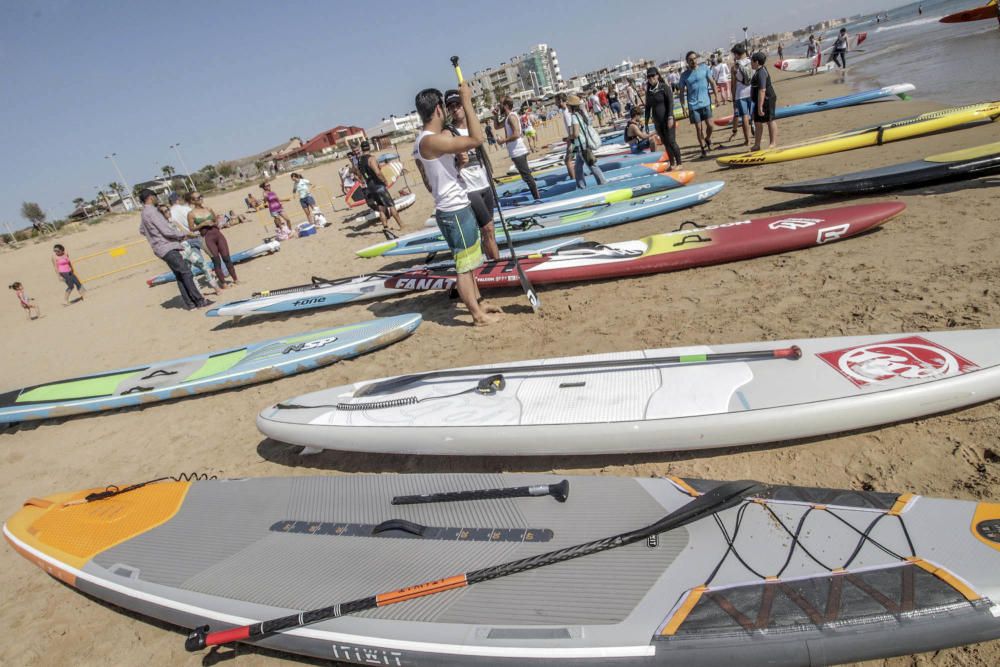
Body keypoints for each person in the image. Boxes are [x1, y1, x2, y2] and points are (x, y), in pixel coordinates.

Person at [413, 84, 499, 326]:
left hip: (458, 204)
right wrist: (467, 102)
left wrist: (458, 163)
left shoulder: (433, 141)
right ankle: (476, 316)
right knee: (463, 266)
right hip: (453, 210)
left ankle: (480, 303)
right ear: (439, 109)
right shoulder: (429, 141)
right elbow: (477, 139)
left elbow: (444, 174)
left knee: (471, 263)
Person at [443, 90, 500, 261]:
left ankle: (490, 262)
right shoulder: (448, 132)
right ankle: (497, 264)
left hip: (484, 183)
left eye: (458, 104)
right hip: (470, 188)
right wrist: (459, 162)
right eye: (451, 106)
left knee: (489, 230)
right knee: (488, 228)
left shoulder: (473, 125)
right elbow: (445, 165)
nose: (455, 109)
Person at [138, 189, 209, 310]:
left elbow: (142, 230)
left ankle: (190, 304)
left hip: (160, 248)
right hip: (168, 247)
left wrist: (154, 237)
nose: (157, 199)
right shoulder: (153, 212)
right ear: (150, 197)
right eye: (155, 196)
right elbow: (166, 231)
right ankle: (199, 300)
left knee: (180, 276)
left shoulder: (144, 213)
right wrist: (183, 235)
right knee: (186, 273)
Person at [160, 203, 218, 293]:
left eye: (168, 209)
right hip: (179, 252)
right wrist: (186, 236)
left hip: (187, 248)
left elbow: (185, 232)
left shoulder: (173, 222)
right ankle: (200, 294)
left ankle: (216, 288)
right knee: (191, 273)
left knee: (204, 265)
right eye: (165, 211)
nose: (168, 212)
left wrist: (193, 235)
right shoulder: (163, 227)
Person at [353, 140, 405, 239]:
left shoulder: (360, 160)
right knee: (391, 205)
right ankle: (401, 225)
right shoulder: (371, 158)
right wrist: (384, 180)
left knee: (381, 207)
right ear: (369, 147)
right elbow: (377, 173)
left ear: (362, 148)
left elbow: (359, 174)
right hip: (377, 185)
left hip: (370, 186)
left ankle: (385, 227)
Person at [186, 191, 238, 288]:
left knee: (227, 258)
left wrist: (214, 223)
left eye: (201, 196)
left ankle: (235, 279)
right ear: (192, 201)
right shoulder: (191, 214)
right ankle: (223, 283)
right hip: (207, 238)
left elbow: (216, 220)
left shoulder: (208, 208)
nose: (201, 198)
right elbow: (191, 228)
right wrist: (202, 224)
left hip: (217, 234)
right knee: (216, 261)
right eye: (198, 197)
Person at [494, 97, 540, 201]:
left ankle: (537, 198)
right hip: (515, 152)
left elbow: (517, 133)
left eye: (500, 104)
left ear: (505, 105)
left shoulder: (511, 117)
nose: (499, 106)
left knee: (527, 177)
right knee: (526, 176)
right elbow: (496, 126)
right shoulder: (507, 118)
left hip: (518, 151)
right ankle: (536, 196)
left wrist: (503, 141)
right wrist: (495, 115)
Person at [678, 51, 719, 156]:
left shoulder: (704, 68)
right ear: (687, 62)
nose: (693, 61)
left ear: (697, 59)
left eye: (694, 58)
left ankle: (707, 138)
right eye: (690, 60)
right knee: (698, 128)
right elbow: (681, 92)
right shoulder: (684, 76)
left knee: (710, 126)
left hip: (706, 102)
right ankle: (702, 149)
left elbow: (712, 82)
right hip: (693, 105)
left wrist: (717, 97)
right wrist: (683, 106)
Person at [566, 95, 607, 190]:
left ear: (571, 106)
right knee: (578, 168)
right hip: (583, 143)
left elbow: (576, 134)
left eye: (568, 105)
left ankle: (603, 183)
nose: (567, 107)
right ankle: (581, 186)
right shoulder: (580, 114)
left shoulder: (574, 117)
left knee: (592, 165)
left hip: (581, 145)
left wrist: (568, 138)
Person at [644, 67, 683, 169]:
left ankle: (679, 163)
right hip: (657, 121)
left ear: (657, 75)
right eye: (648, 77)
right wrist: (646, 122)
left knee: (671, 141)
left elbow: (670, 102)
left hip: (667, 119)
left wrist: (670, 117)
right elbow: (647, 107)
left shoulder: (664, 87)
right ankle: (672, 163)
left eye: (652, 76)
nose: (651, 78)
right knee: (665, 143)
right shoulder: (649, 92)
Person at [750, 52, 778, 150]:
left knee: (770, 120)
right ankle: (757, 144)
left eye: (752, 61)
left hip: (767, 99)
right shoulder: (758, 71)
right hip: (759, 100)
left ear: (757, 62)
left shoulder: (761, 72)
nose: (751, 63)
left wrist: (760, 106)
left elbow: (762, 90)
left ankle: (773, 143)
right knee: (757, 122)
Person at [729, 43, 754, 146]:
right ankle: (754, 127)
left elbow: (733, 84)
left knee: (744, 116)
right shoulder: (752, 62)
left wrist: (734, 98)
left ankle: (747, 139)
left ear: (736, 54)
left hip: (740, 94)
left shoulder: (734, 67)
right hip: (751, 91)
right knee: (753, 114)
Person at [555, 93, 577, 182]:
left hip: (573, 140)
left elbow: (571, 127)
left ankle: (573, 180)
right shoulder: (566, 110)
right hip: (573, 138)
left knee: (568, 161)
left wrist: (568, 139)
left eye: (556, 101)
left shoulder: (567, 112)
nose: (555, 104)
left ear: (560, 101)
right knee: (578, 159)